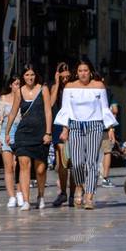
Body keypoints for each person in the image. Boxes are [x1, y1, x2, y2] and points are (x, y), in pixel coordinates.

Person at [54, 61, 118, 210]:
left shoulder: (98, 86)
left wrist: (110, 128)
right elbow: (66, 109)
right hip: (75, 126)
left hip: (95, 125)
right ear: (77, 73)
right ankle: (79, 186)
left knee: (91, 162)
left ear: (90, 72)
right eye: (80, 70)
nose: (83, 73)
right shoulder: (70, 87)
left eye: (86, 70)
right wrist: (65, 128)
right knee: (76, 162)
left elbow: (104, 108)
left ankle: (89, 196)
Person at [6, 64, 53, 210]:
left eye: (32, 75)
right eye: (26, 75)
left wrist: (48, 132)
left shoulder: (43, 89)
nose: (30, 78)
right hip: (23, 133)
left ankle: (40, 195)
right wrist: (7, 132)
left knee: (40, 169)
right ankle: (26, 200)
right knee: (24, 165)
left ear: (35, 75)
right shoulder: (19, 91)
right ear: (23, 77)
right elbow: (13, 112)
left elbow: (48, 112)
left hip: (40, 133)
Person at [0, 76, 22, 207]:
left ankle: (20, 193)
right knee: (8, 167)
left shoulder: (24, 99)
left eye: (20, 84)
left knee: (19, 166)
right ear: (10, 85)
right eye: (15, 84)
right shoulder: (3, 99)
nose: (18, 86)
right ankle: (11, 196)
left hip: (21, 133)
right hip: (5, 133)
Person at [49, 62, 74, 207]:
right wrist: (57, 83)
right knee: (61, 163)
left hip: (73, 124)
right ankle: (64, 193)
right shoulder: (55, 87)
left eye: (67, 73)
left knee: (73, 162)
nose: (65, 76)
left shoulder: (75, 87)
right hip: (58, 125)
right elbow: (51, 104)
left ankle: (72, 193)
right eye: (62, 72)